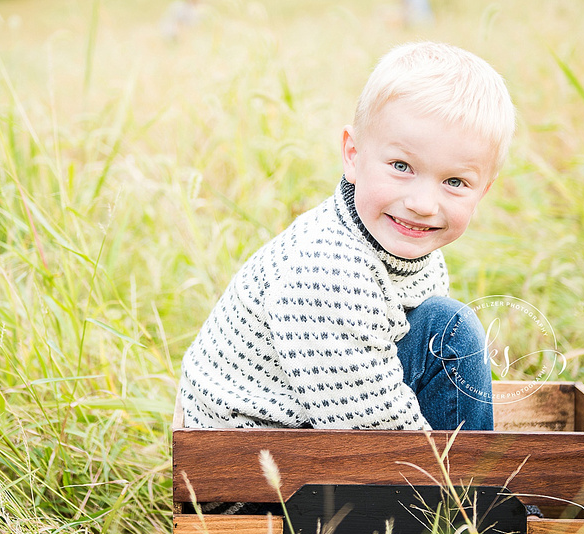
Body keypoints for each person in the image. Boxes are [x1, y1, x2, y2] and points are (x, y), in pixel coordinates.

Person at [179, 41, 515, 431]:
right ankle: (471, 489)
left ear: (483, 191)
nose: (423, 204)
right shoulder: (328, 272)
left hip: (313, 416)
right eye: (402, 166)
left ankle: (476, 481)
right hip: (256, 465)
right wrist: (442, 486)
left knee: (440, 324)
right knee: (451, 329)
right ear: (353, 155)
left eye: (454, 181)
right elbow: (370, 433)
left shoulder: (401, 243)